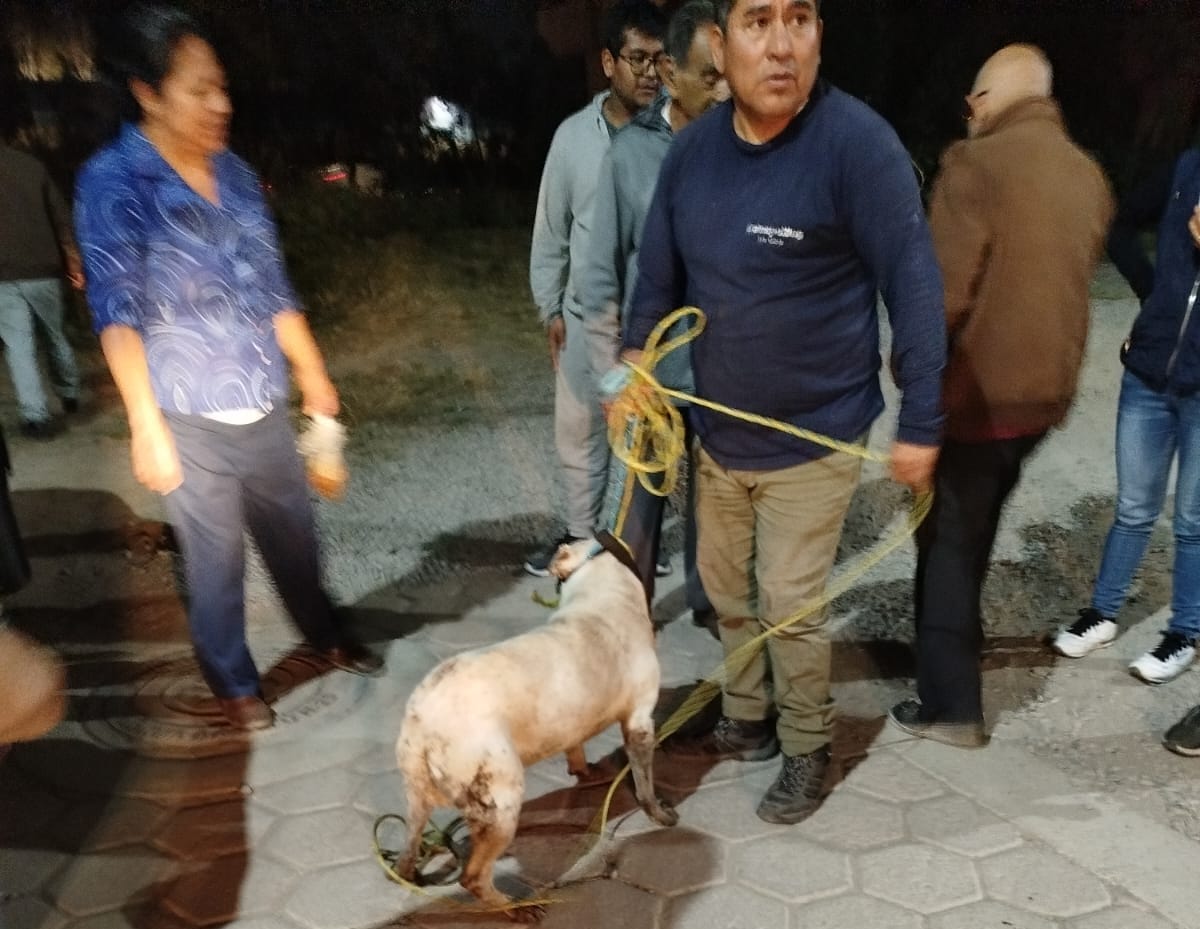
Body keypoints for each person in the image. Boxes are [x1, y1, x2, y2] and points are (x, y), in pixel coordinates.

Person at [625, 0, 946, 824]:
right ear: (720, 46)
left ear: (819, 35)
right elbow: (657, 273)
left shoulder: (857, 146)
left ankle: (809, 745)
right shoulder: (693, 153)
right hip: (718, 433)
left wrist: (922, 421)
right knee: (727, 589)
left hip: (818, 436)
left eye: (798, 19)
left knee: (790, 602)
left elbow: (912, 282)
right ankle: (748, 717)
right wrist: (632, 361)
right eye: (758, 22)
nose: (780, 45)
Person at [74, 3, 381, 733]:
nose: (222, 104)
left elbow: (272, 287)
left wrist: (314, 376)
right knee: (215, 564)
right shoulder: (115, 181)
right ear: (148, 93)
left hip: (261, 400)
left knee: (297, 538)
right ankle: (234, 680)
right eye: (200, 89)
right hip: (186, 414)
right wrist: (146, 427)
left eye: (223, 87)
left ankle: (324, 634)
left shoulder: (238, 176)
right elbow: (116, 313)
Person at [890, 45, 1113, 748]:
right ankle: (954, 647)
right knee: (974, 528)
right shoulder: (1087, 174)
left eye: (972, 100)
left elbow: (938, 300)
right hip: (1044, 403)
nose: (969, 113)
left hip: (978, 400)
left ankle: (951, 706)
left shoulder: (974, 166)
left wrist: (913, 397)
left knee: (948, 542)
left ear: (986, 99)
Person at [580, 0, 728, 616]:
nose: (725, 92)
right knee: (636, 506)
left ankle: (710, 605)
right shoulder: (630, 156)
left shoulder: (743, 145)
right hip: (650, 374)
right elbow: (598, 274)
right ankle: (622, 613)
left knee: (718, 509)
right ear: (670, 73)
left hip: (722, 373)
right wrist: (612, 373)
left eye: (729, 76)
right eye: (710, 77)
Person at [524, 0, 667, 577]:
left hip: (655, 328)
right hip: (586, 320)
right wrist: (550, 308)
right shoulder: (573, 139)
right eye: (638, 59)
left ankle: (634, 547)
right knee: (581, 439)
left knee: (649, 442)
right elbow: (551, 231)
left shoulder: (676, 137)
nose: (651, 73)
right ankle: (581, 542)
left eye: (661, 60)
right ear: (609, 62)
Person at [1053, 145, 1200, 698]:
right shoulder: (1187, 166)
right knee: (1134, 507)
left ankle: (1184, 633)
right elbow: (1120, 224)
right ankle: (1102, 613)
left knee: (1192, 520)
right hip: (1147, 377)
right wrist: (1155, 297)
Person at [0, 118, 84, 439]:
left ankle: (34, 416)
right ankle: (69, 392)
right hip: (44, 269)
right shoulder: (32, 167)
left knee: (19, 346)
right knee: (55, 334)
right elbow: (62, 218)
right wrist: (73, 262)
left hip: (3, 276)